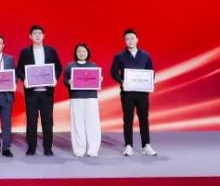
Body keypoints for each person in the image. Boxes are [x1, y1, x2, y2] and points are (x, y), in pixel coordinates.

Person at [16, 24, 62, 156]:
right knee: (31, 121)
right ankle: (31, 147)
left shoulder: (51, 51)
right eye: (35, 33)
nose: (37, 35)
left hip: (47, 92)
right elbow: (19, 69)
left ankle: (48, 148)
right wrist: (24, 79)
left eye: (39, 33)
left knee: (48, 121)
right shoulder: (25, 52)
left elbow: (58, 67)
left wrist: (54, 79)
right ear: (30, 36)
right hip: (31, 93)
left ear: (43, 36)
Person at [110, 28, 157, 156]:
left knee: (144, 118)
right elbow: (113, 72)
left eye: (132, 38)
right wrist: (121, 81)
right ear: (124, 41)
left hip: (142, 93)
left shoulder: (145, 55)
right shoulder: (119, 56)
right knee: (128, 119)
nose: (130, 41)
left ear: (137, 39)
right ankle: (128, 145)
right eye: (127, 39)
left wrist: (150, 83)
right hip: (127, 92)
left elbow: (151, 72)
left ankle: (146, 145)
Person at [64, 43, 102, 158]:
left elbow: (96, 80)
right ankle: (79, 149)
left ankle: (93, 150)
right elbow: (65, 80)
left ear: (87, 52)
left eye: (84, 51)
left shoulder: (94, 66)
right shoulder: (70, 66)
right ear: (75, 53)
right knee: (77, 123)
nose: (81, 53)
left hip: (91, 97)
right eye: (79, 51)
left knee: (93, 123)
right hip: (76, 97)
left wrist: (99, 79)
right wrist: (68, 82)